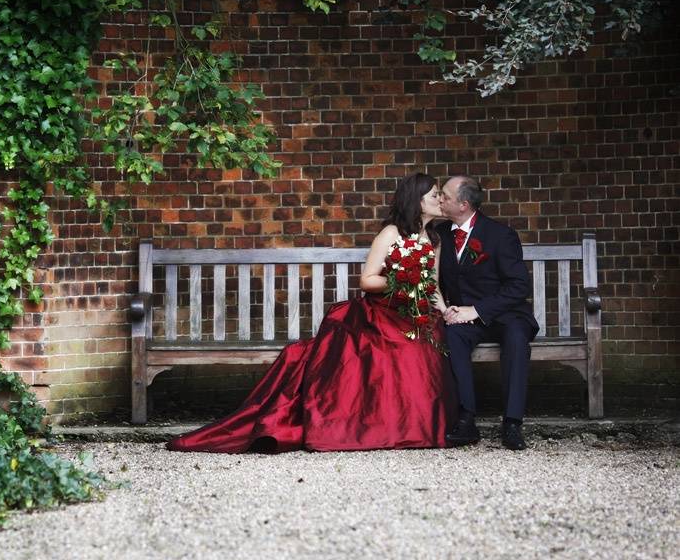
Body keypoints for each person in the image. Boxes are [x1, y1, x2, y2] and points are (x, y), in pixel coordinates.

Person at [167, 173, 456, 453]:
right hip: (381, 313)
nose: (440, 200)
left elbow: (432, 284)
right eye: (434, 195)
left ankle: (415, 428)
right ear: (417, 200)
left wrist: (443, 310)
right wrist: (400, 281)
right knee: (392, 353)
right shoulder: (392, 233)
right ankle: (379, 428)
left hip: (412, 314)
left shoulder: (435, 238)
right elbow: (367, 280)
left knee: (425, 349)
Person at [436, 176, 539, 450]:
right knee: (453, 334)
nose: (440, 199)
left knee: (517, 338)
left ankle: (513, 423)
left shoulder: (500, 235)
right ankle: (466, 418)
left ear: (464, 204)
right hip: (466, 317)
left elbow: (518, 286)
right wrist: (449, 309)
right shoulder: (441, 234)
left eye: (445, 195)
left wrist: (477, 309)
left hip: (507, 314)